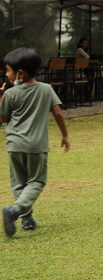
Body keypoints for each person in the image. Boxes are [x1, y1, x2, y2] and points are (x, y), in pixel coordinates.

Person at [0, 47, 70, 237]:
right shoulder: (46, 89)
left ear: (19, 73)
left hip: (14, 145)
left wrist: (0, 96)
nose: (6, 74)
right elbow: (58, 113)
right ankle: (15, 212)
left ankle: (27, 219)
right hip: (36, 146)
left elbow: (3, 119)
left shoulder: (10, 94)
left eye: (7, 70)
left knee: (19, 184)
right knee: (37, 181)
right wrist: (64, 135)